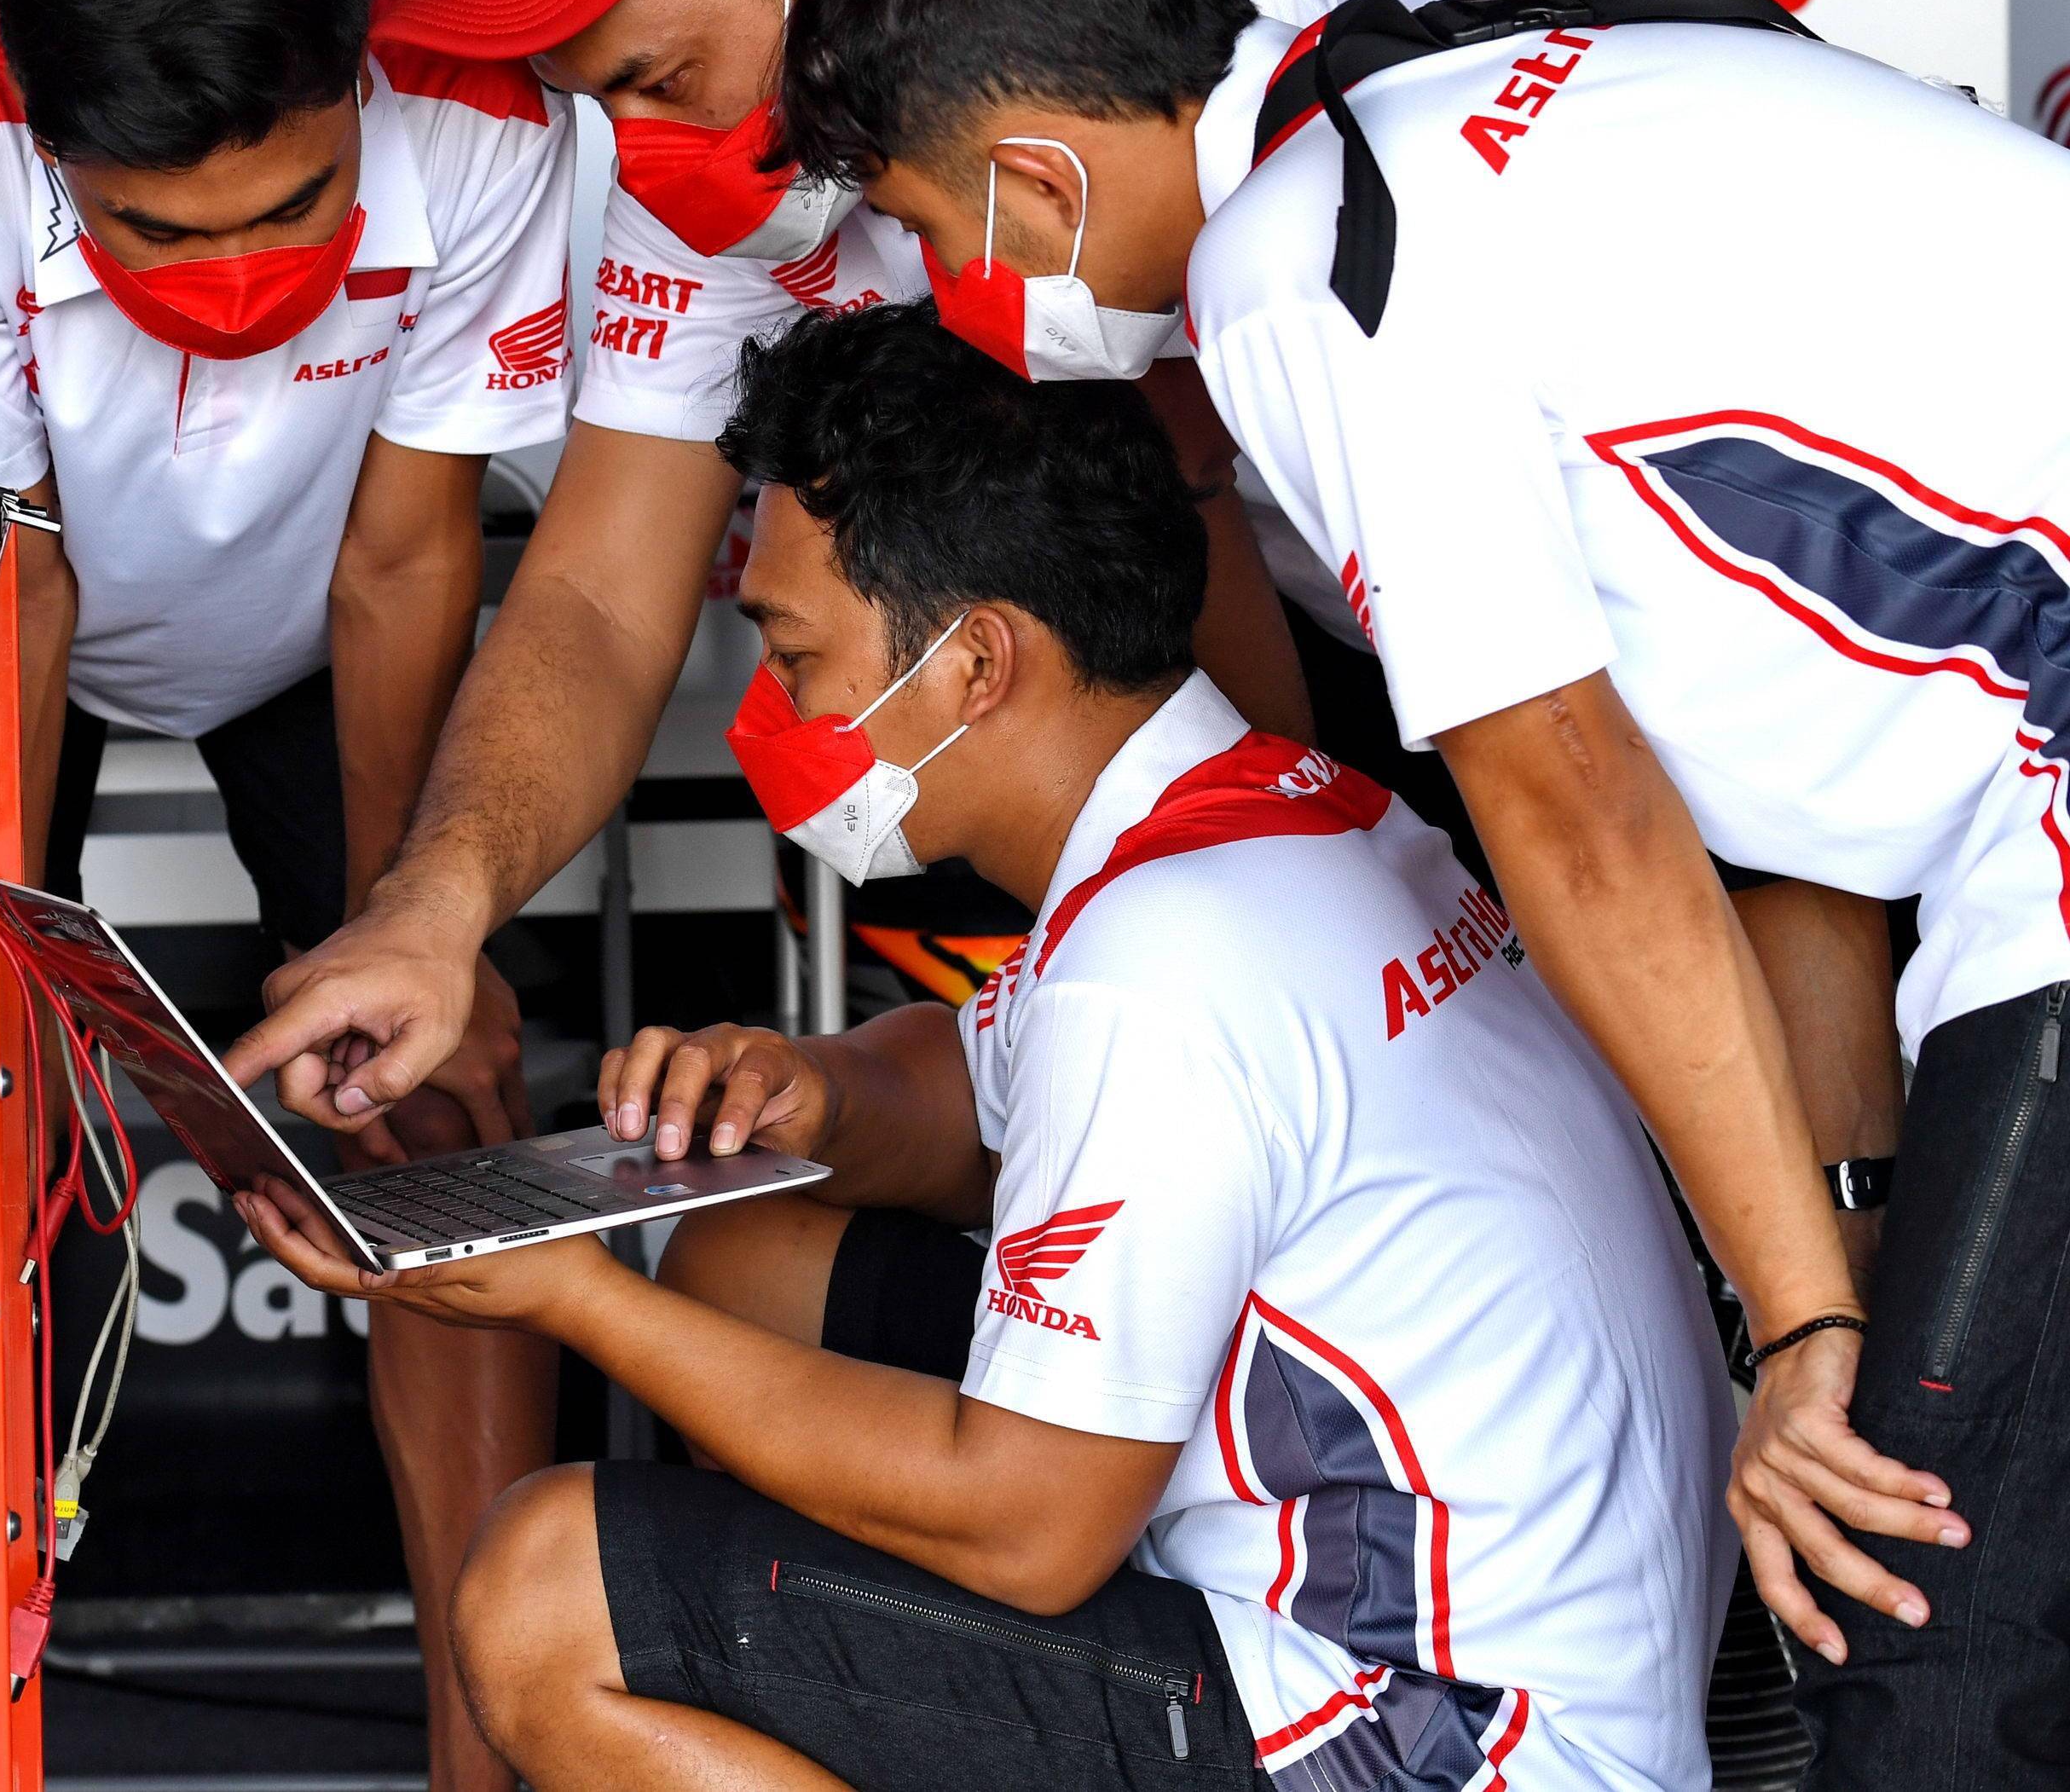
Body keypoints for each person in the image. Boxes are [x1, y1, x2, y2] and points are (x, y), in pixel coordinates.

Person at [772, 0, 2061, 1785]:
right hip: (2008, 794)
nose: (958, 292)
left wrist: (1802, 1321)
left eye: (933, 230)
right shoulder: (1460, 80)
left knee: (1904, 1597)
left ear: (1033, 178)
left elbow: (1578, 813)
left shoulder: (1303, 264)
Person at [237, 303, 1736, 1792]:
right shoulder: (1277, 818)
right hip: (1533, 1657)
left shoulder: (1159, 968)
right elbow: (968, 1091)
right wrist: (812, 1089)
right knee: (745, 1263)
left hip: (1430, 1741)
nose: (780, 708)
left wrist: (578, 1298)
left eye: (796, 651)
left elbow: (1030, 1532)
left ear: (974, 665)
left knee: (550, 1592)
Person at [234, 0, 1522, 1092]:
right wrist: (433, 910)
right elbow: (601, 593)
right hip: (1308, 618)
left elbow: (1190, 463)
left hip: (1545, 557)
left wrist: (1294, 884)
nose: (640, 153)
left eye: (660, 74)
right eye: (599, 101)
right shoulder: (720, 151)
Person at [0, 0, 570, 1792]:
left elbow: (404, 557)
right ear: (50, 142)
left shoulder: (483, 111)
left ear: (355, 86)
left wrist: (407, 930)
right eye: (161, 226)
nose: (236, 273)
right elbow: (7, 577)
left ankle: (489, 1754)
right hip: (1, 611)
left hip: (329, 607)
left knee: (439, 1103)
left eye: (292, 209)